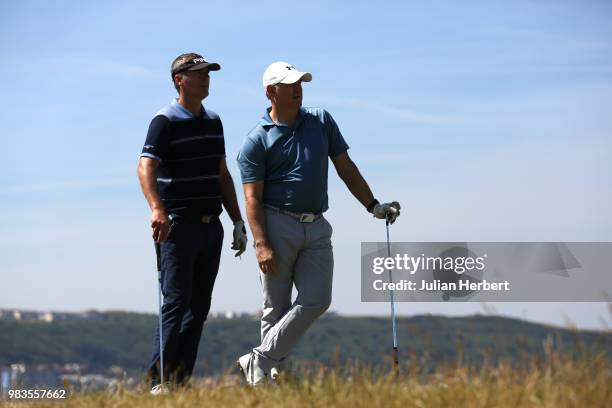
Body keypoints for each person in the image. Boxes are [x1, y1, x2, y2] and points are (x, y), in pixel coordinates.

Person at [236, 61, 400, 385]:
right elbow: (252, 199)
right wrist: (261, 243)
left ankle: (258, 360)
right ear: (271, 92)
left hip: (318, 225)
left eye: (300, 83)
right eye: (290, 84)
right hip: (276, 224)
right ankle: (271, 382)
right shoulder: (255, 141)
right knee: (276, 308)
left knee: (318, 298)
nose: (298, 89)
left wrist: (373, 205)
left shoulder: (321, 121)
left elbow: (346, 168)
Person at [137, 52, 247, 393]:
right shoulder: (164, 120)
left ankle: (180, 382)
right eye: (198, 73)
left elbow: (221, 173)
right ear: (179, 80)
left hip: (210, 225)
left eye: (208, 73)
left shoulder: (214, 121)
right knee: (175, 302)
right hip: (178, 226)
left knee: (198, 308)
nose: (206, 78)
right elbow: (145, 166)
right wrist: (157, 209)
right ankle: (159, 380)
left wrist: (237, 221)